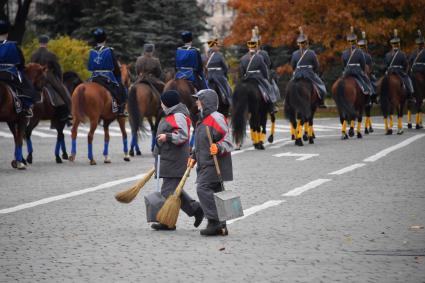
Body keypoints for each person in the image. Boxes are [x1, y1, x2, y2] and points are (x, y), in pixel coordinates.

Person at [152, 90, 204, 231]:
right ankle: (196, 209)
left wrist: (167, 137)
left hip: (174, 160)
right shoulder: (171, 114)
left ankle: (167, 222)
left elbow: (182, 135)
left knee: (167, 191)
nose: (161, 105)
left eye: (162, 102)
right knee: (175, 190)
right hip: (169, 158)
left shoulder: (178, 115)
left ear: (168, 103)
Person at [189, 89, 234, 236]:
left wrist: (219, 146)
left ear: (205, 101)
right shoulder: (201, 119)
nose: (196, 102)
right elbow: (200, 142)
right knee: (216, 192)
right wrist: (194, 155)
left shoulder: (216, 118)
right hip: (204, 162)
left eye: (198, 99)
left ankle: (214, 222)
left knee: (202, 188)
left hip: (214, 162)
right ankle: (222, 226)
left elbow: (228, 139)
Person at [30, 34, 72, 123]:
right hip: (47, 76)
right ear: (47, 43)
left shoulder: (34, 54)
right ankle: (68, 113)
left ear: (39, 43)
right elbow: (58, 69)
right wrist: (60, 80)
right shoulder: (51, 55)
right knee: (63, 91)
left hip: (36, 77)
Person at [0, 19, 36, 117]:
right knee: (27, 87)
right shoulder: (13, 45)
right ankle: (26, 107)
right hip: (10, 73)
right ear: (7, 33)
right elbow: (21, 62)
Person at [87, 28, 127, 116]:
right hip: (107, 75)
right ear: (105, 39)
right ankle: (121, 109)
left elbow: (89, 66)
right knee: (121, 89)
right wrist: (118, 77)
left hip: (94, 76)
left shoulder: (91, 51)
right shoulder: (109, 50)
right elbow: (115, 66)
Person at [290, 27, 327, 107]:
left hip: (298, 74)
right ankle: (321, 102)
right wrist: (315, 72)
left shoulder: (294, 54)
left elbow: (293, 66)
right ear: (306, 43)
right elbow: (316, 65)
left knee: (290, 87)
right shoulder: (312, 53)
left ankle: (288, 102)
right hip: (309, 73)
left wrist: (296, 71)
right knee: (321, 85)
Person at [240, 37, 275, 113]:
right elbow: (264, 69)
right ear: (255, 47)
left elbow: (242, 72)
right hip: (258, 78)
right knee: (268, 88)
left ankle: (239, 107)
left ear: (248, 47)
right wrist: (265, 78)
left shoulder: (243, 58)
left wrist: (244, 79)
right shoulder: (259, 57)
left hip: (247, 78)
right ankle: (271, 106)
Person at [341, 26, 373, 103]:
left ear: (348, 41)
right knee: (366, 81)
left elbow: (344, 64)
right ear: (355, 41)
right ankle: (368, 96)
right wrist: (363, 72)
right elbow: (362, 64)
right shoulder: (359, 52)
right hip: (357, 71)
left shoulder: (344, 53)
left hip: (347, 71)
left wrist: (346, 70)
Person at [384, 29, 415, 103]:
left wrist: (387, 70)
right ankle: (411, 95)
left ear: (392, 45)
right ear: (398, 44)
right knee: (408, 80)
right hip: (400, 72)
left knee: (384, 81)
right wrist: (405, 72)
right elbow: (406, 65)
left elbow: (386, 65)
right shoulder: (402, 54)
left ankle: (380, 95)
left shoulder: (387, 54)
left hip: (390, 71)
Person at [205, 38, 232, 105]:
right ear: (214, 47)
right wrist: (225, 75)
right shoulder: (219, 55)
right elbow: (225, 67)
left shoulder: (205, 56)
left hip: (209, 77)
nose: (219, 48)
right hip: (218, 76)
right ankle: (229, 102)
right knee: (227, 88)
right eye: (218, 46)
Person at [357, 31, 378, 103]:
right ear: (365, 46)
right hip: (365, 73)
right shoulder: (367, 55)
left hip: (357, 72)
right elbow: (370, 66)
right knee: (374, 81)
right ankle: (373, 95)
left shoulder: (356, 54)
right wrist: (371, 72)